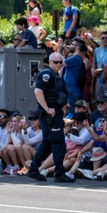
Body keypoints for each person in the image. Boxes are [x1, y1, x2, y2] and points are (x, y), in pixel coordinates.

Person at [27, 52, 71, 182]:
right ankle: (59, 173)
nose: (58, 64)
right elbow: (38, 91)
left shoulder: (56, 75)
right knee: (58, 144)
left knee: (47, 144)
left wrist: (63, 107)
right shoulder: (46, 75)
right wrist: (47, 109)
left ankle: (33, 169)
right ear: (50, 62)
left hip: (55, 114)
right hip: (49, 115)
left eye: (60, 62)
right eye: (55, 62)